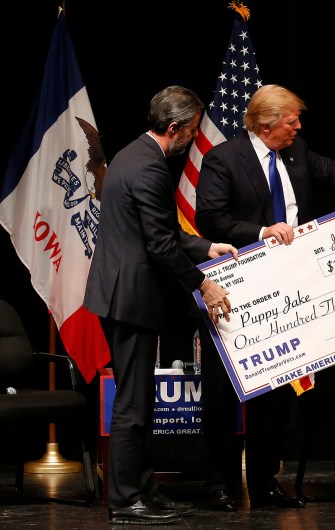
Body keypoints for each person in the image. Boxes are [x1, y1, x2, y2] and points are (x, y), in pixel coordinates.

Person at [194, 83, 335, 511]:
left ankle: (266, 481)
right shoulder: (223, 159)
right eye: (292, 121)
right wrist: (260, 233)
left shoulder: (298, 150)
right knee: (223, 389)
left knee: (276, 386)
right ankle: (218, 483)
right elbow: (210, 218)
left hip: (291, 289)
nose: (298, 127)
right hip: (237, 290)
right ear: (268, 124)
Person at [84, 86, 239, 525]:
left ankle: (145, 489)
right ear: (174, 128)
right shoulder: (150, 167)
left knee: (142, 401)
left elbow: (161, 231)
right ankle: (125, 500)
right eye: (191, 130)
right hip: (128, 297)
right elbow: (159, 245)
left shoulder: (131, 155)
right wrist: (204, 284)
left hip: (121, 292)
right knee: (132, 405)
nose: (193, 138)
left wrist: (206, 247)